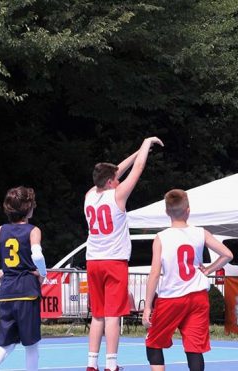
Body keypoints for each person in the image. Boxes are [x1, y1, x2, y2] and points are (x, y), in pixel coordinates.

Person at [84, 136, 163, 371]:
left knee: (97, 314)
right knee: (112, 315)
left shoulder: (89, 195)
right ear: (110, 182)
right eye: (115, 179)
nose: (118, 180)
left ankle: (91, 364)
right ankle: (111, 364)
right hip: (113, 261)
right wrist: (146, 144)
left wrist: (138, 149)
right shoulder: (117, 195)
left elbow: (117, 169)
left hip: (93, 260)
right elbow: (137, 169)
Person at [142, 189, 233, 371]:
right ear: (188, 210)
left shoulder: (161, 238)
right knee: (194, 348)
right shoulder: (200, 233)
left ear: (167, 212)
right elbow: (227, 254)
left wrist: (147, 307)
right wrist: (208, 269)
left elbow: (154, 273)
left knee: (153, 342)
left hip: (172, 297)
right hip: (198, 296)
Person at [0, 187, 45, 371]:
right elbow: (37, 255)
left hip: (6, 293)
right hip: (27, 291)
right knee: (31, 345)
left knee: (6, 343)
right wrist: (43, 274)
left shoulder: (0, 230)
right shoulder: (33, 230)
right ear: (28, 209)